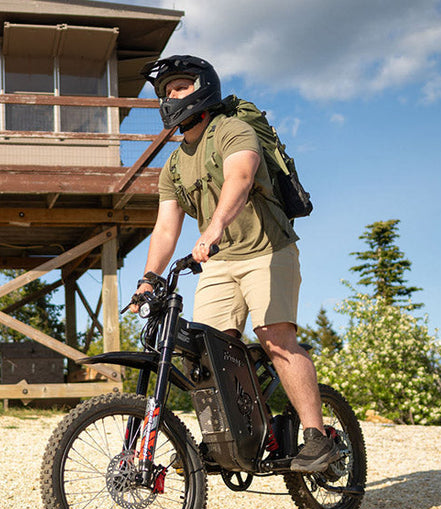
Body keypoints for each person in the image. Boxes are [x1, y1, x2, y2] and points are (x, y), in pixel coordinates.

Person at [136, 55, 339, 473]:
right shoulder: (173, 165)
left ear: (202, 88)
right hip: (219, 262)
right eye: (167, 91)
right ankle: (240, 433)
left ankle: (318, 437)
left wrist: (212, 229)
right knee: (207, 355)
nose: (173, 96)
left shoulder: (232, 129)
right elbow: (165, 227)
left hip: (268, 249)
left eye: (181, 86)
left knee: (275, 337)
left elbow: (240, 179)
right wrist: (147, 280)